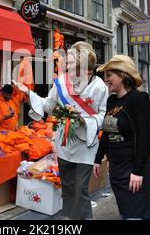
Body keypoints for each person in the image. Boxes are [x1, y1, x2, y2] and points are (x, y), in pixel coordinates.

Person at [13, 41, 108, 220]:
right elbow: (48, 105)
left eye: (70, 62)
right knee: (68, 187)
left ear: (82, 64)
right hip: (64, 145)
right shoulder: (61, 83)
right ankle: (70, 219)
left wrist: (86, 121)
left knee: (80, 189)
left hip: (85, 148)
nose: (66, 65)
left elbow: (104, 114)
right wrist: (28, 93)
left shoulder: (99, 86)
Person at [93, 55, 150, 220]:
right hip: (117, 170)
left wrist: (137, 170)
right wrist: (98, 158)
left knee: (135, 215)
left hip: (133, 168)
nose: (105, 79)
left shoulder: (139, 98)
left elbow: (143, 137)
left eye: (109, 75)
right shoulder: (112, 101)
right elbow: (107, 131)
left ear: (123, 74)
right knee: (126, 214)